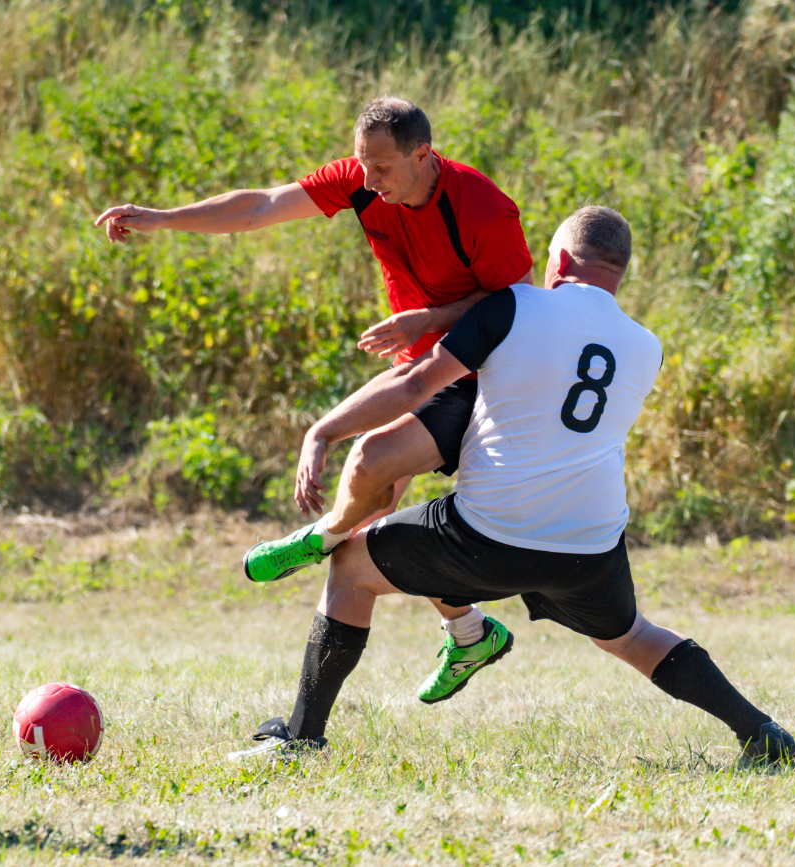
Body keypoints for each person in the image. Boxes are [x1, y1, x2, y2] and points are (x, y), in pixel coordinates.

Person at [227, 206, 795, 767]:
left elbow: (414, 387)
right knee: (631, 637)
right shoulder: (645, 347)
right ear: (619, 271)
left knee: (353, 564)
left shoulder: (513, 306)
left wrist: (325, 431)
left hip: (490, 533)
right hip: (591, 544)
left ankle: (301, 737)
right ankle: (762, 732)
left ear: (560, 259)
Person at [95, 97, 533, 703]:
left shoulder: (481, 208)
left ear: (423, 155)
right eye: (362, 166)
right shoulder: (360, 180)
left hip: (483, 371)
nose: (368, 181)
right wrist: (163, 218)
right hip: (420, 367)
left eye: (381, 169)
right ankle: (466, 631)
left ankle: (323, 537)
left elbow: (518, 302)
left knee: (371, 469)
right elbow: (262, 207)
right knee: (373, 519)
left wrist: (429, 318)